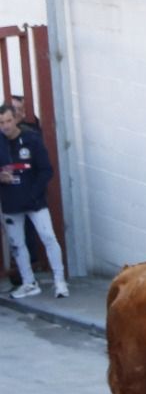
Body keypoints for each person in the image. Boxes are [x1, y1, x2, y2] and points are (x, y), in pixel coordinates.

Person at [1, 100, 65, 298]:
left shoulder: (31, 140)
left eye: (8, 121)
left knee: (48, 237)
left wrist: (33, 194)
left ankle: (60, 281)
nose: (5, 126)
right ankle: (29, 283)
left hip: (35, 202)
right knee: (16, 244)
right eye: (1, 123)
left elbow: (46, 170)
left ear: (16, 120)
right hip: (11, 203)